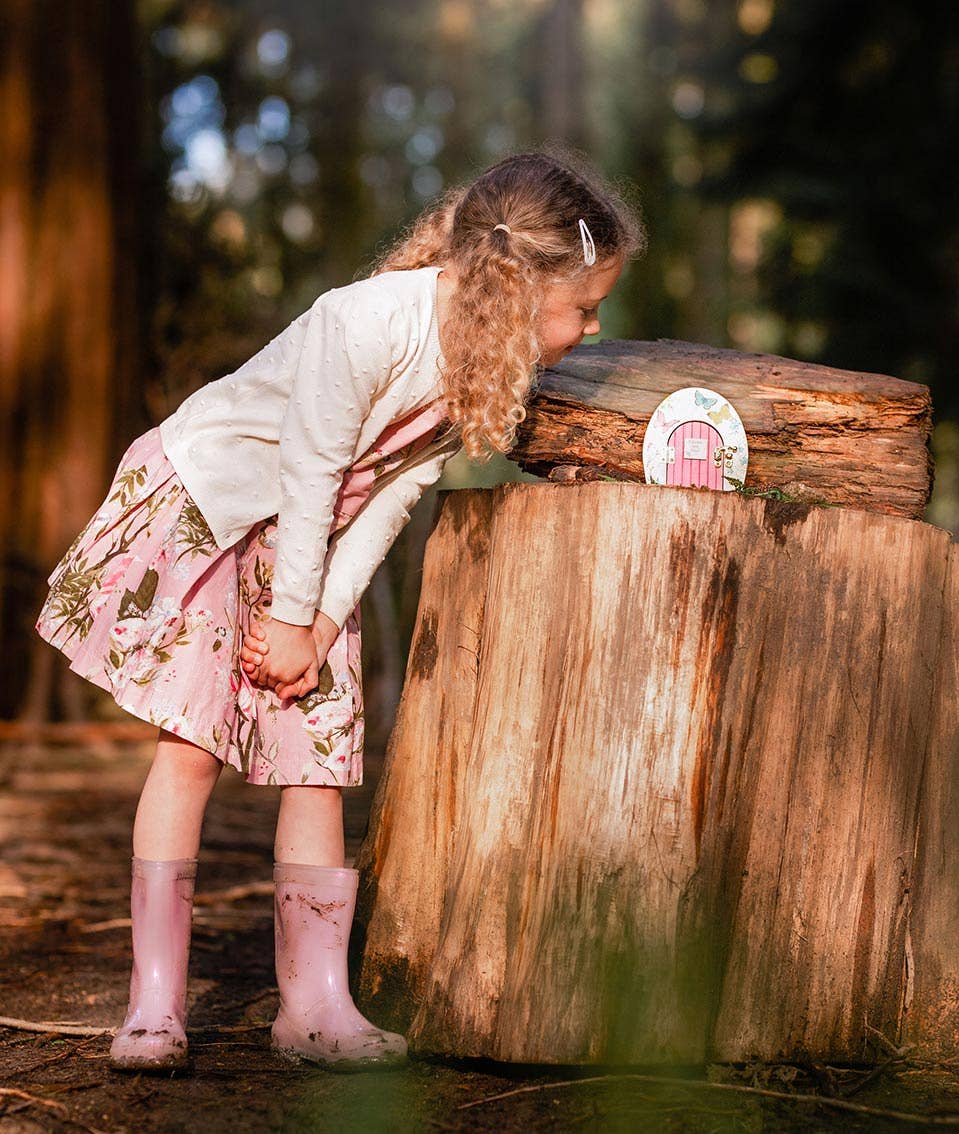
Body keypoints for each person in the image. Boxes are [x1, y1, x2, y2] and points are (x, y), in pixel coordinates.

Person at [35, 150, 644, 1072]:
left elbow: (393, 495)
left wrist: (317, 627)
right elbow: (311, 467)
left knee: (317, 759)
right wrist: (287, 613)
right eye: (584, 307)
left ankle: (314, 1004)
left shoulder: (482, 366)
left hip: (310, 555)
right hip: (222, 512)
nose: (592, 329)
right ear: (520, 289)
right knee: (190, 750)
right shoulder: (362, 322)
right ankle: (154, 1004)